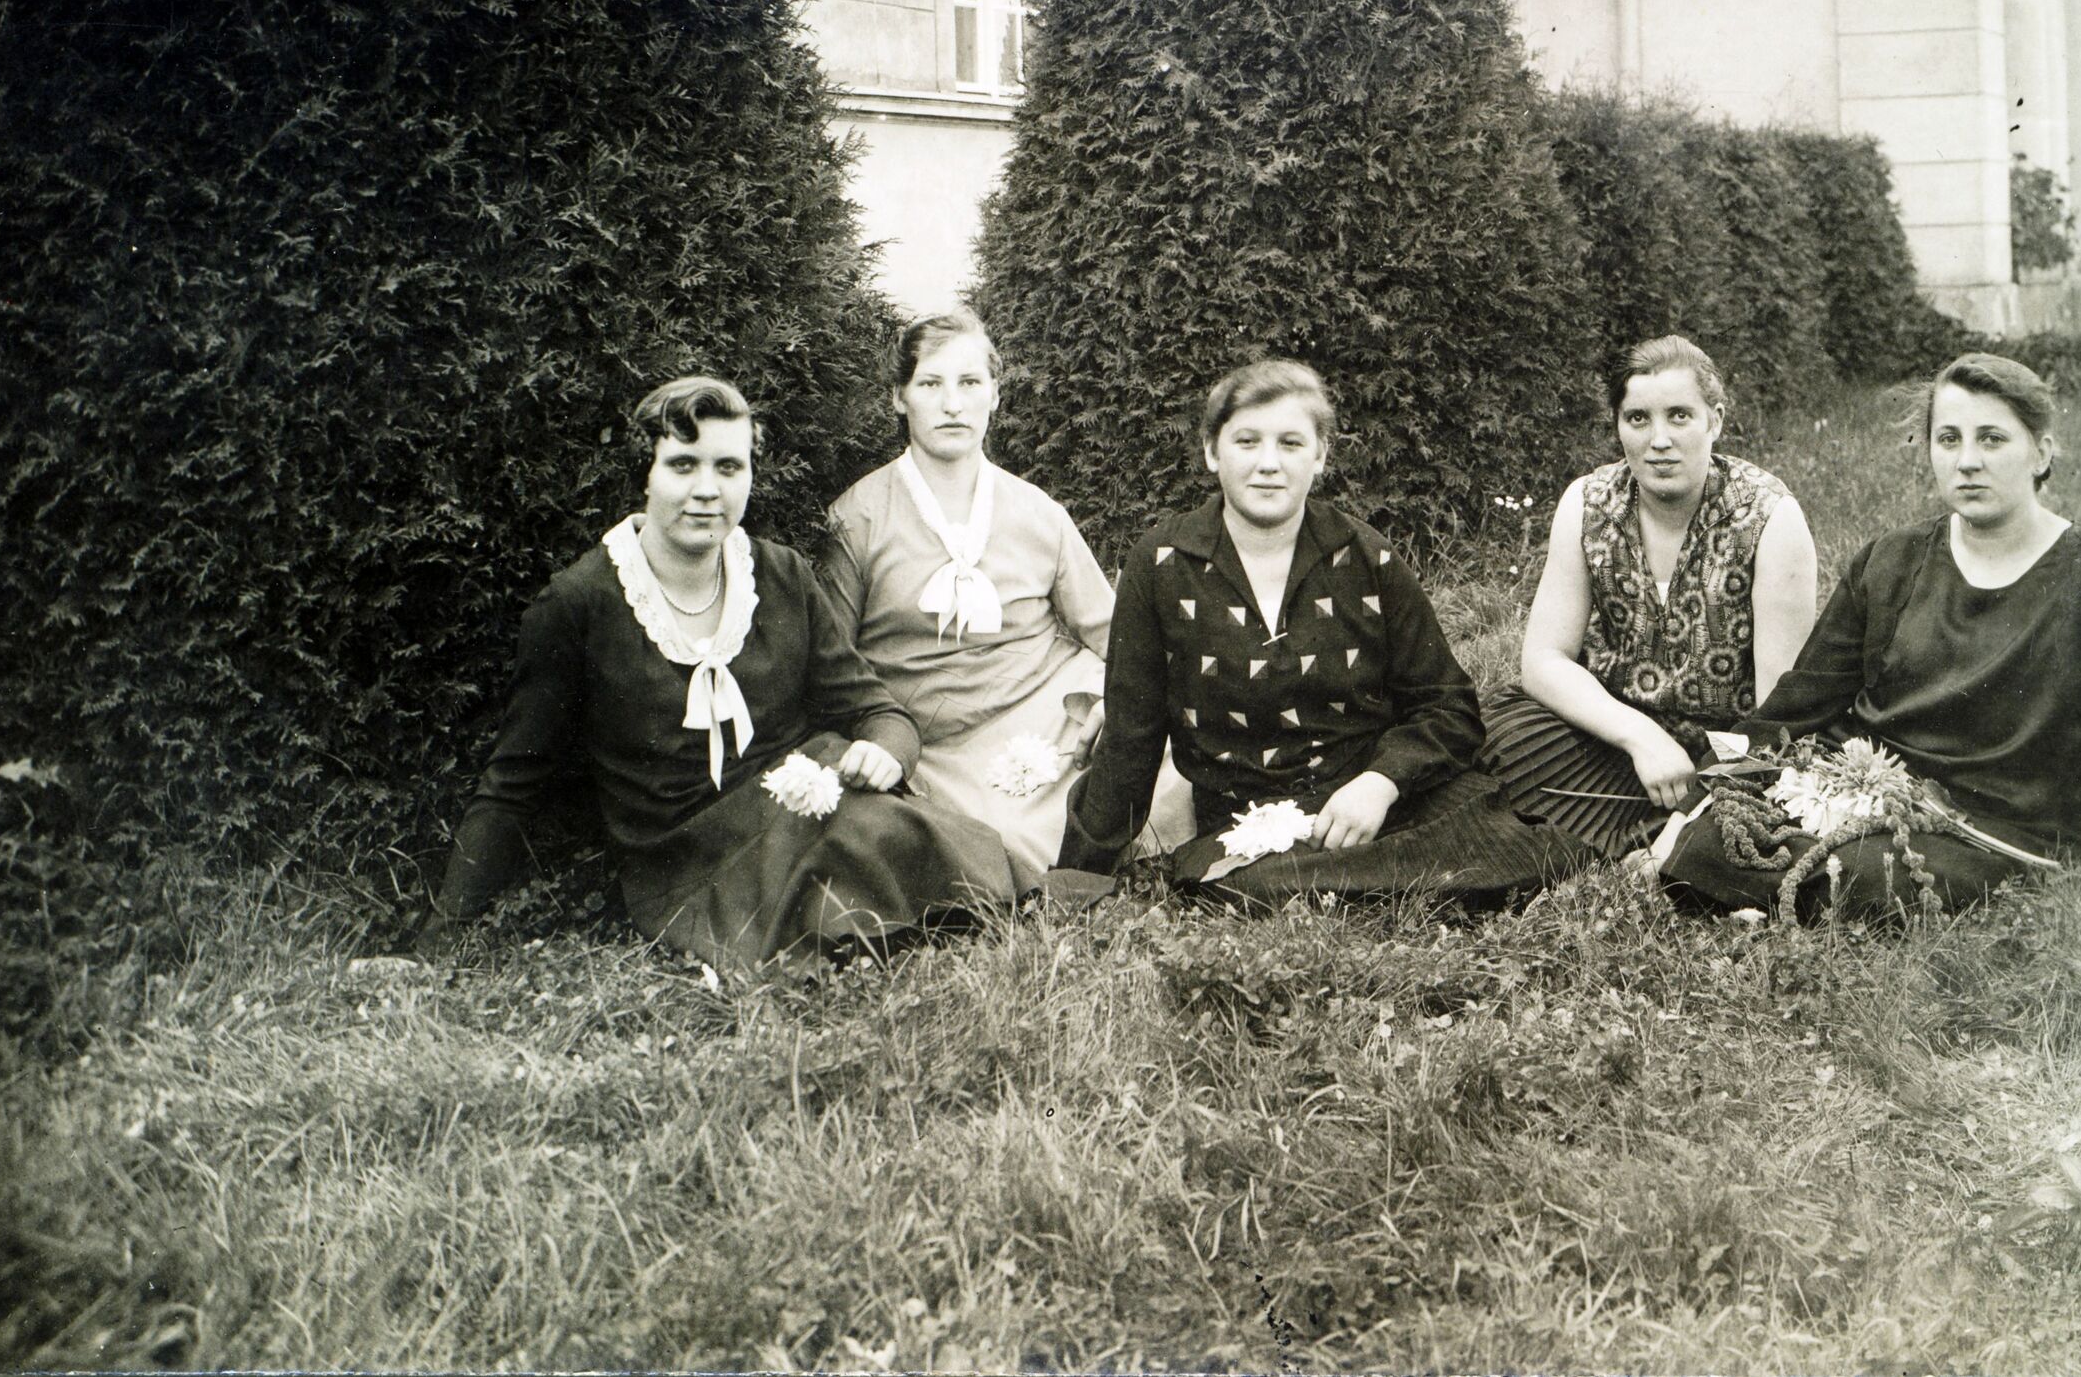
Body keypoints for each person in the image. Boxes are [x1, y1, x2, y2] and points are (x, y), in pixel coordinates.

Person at [424, 375, 1036, 971]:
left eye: (728, 467)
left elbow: (878, 710)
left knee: (896, 837)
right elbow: (513, 781)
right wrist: (440, 934)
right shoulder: (581, 602)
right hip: (687, 858)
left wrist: (887, 752)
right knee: (857, 858)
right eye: (682, 466)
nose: (707, 491)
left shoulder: (781, 575)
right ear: (644, 474)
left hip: (805, 809)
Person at [1656, 351, 2081, 922]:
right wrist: (1705, 798)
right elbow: (1798, 707)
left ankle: (1759, 900)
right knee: (1719, 838)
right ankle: (1759, 892)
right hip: (1866, 797)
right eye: (1949, 439)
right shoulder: (1892, 560)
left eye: (1992, 439)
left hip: (1994, 832)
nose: (1967, 461)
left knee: (1864, 877)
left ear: (2041, 453)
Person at [1061, 359, 1597, 907]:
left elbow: (1449, 707)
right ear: (1211, 451)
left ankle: (1395, 874)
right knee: (1245, 883)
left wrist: (1381, 783)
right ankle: (1382, 882)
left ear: (1319, 456)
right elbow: (1131, 738)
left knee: (1506, 844)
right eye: (1247, 441)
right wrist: (1078, 878)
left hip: (1376, 805)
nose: (1268, 463)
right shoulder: (1160, 565)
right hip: (1253, 827)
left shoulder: (1367, 556)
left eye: (1291, 443)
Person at [1483, 336, 1818, 856]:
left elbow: (1779, 713)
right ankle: (1633, 828)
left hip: (1726, 756)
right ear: (1618, 425)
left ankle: (1670, 831)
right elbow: (1544, 660)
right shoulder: (1590, 503)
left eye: (1679, 416)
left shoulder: (1768, 517)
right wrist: (1641, 737)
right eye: (1638, 419)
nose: (1659, 440)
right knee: (1494, 740)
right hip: (1613, 737)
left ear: (1715, 421)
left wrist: (1705, 784)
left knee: (1750, 820)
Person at [818, 310, 1117, 870]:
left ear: (995, 395)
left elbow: (1114, 634)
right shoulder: (857, 518)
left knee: (1168, 751)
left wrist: (1114, 700)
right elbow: (832, 665)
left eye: (970, 383)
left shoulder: (1038, 511)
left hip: (1052, 708)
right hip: (942, 743)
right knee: (1000, 837)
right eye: (931, 384)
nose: (953, 404)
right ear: (899, 397)